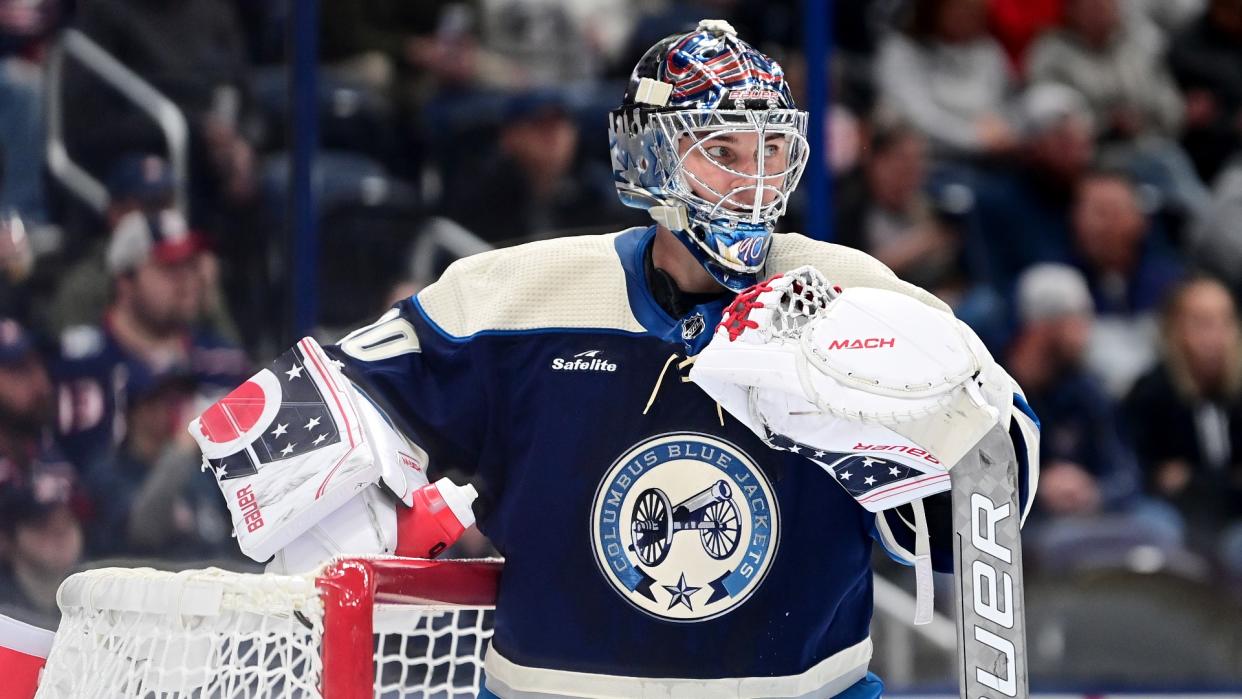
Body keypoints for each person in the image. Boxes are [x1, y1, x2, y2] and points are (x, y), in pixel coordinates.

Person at [189, 21, 1040, 698]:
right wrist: (358, 524)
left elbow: (986, 493)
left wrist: (923, 441)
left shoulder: (859, 297)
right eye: (723, 150)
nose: (753, 182)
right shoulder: (519, 295)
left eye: (770, 150)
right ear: (652, 154)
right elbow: (289, 429)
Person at [54, 208, 249, 468]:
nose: (187, 280)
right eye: (169, 267)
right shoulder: (79, 364)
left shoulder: (225, 362)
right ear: (125, 281)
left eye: (190, 265)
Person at [1124, 277, 1242, 565]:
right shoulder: (1151, 392)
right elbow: (1145, 475)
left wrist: (1191, 478)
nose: (1215, 336)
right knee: (1154, 529)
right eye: (1202, 323)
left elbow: (1179, 477)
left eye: (1224, 322)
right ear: (1175, 331)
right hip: (1169, 513)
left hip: (1232, 516)